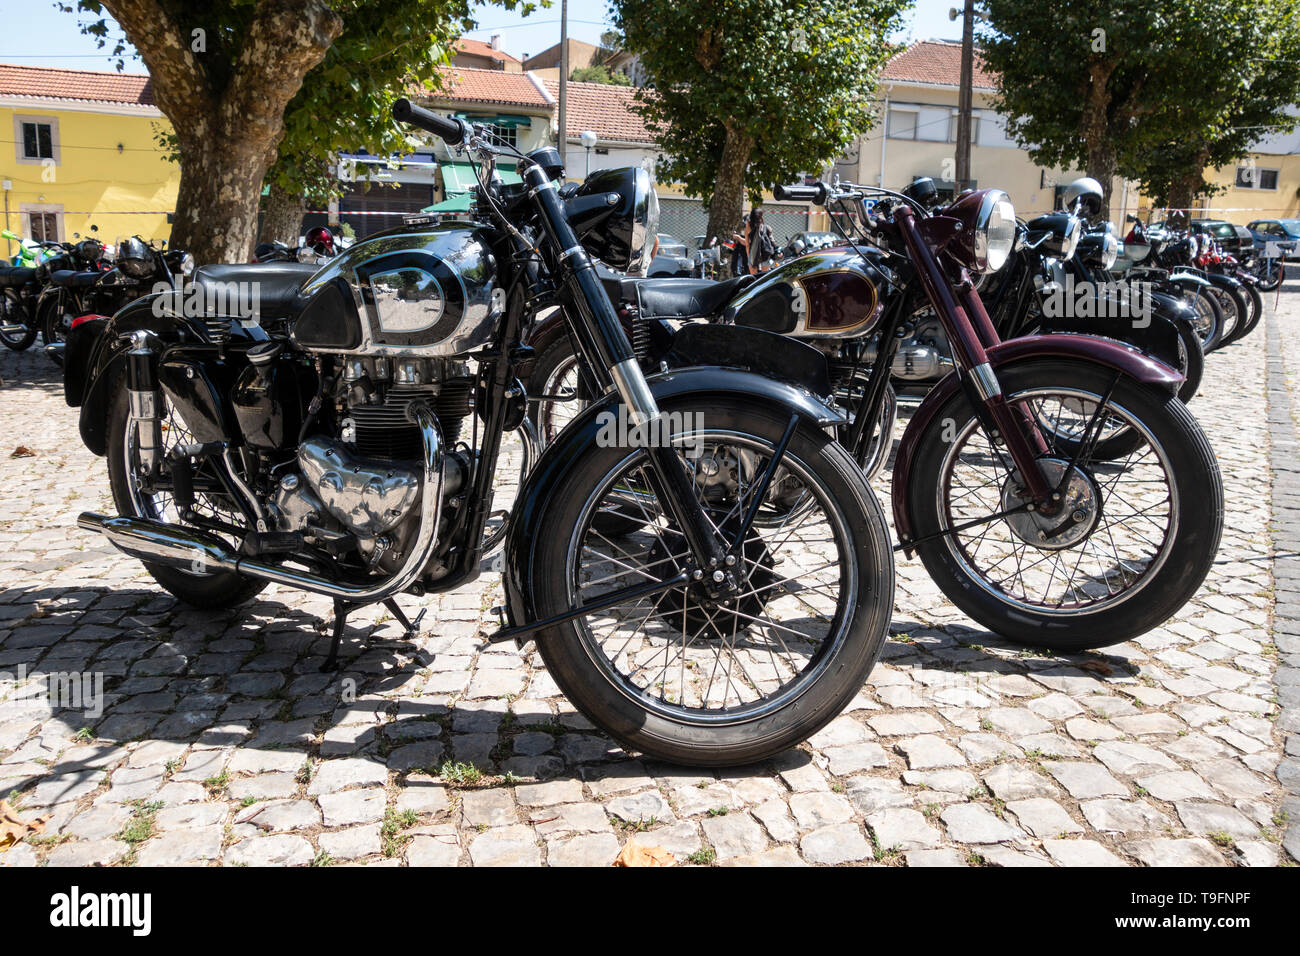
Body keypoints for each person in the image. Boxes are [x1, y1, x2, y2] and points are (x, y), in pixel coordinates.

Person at [746, 208, 778, 274]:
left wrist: (748, 256)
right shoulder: (766, 227)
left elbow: (747, 244)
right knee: (764, 278)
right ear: (761, 216)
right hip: (765, 254)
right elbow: (772, 241)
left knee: (753, 278)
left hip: (753, 254)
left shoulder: (748, 225)